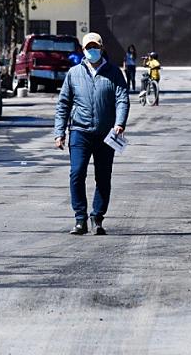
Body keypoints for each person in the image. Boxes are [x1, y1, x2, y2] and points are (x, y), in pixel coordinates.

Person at [54, 32, 130, 235]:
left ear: (102, 48)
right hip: (80, 131)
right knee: (77, 173)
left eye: (95, 47)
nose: (91, 51)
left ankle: (97, 217)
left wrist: (119, 123)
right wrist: (59, 132)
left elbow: (122, 99)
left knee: (103, 177)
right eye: (88, 48)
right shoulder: (74, 73)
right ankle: (80, 219)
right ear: (83, 50)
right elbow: (64, 104)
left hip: (106, 134)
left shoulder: (114, 73)